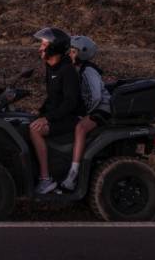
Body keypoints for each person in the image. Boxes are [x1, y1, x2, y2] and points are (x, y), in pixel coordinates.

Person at [30, 27, 83, 194]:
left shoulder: (67, 71)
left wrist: (47, 119)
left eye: (44, 45)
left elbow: (70, 103)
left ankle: (46, 180)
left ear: (53, 48)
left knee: (35, 131)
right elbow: (52, 98)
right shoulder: (51, 67)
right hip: (58, 114)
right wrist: (40, 113)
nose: (40, 48)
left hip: (70, 117)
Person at [60, 35, 112, 191]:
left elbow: (96, 96)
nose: (70, 54)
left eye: (73, 51)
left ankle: (73, 174)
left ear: (82, 53)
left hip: (102, 108)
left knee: (80, 128)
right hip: (93, 107)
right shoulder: (79, 68)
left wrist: (86, 114)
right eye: (69, 51)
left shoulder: (88, 71)